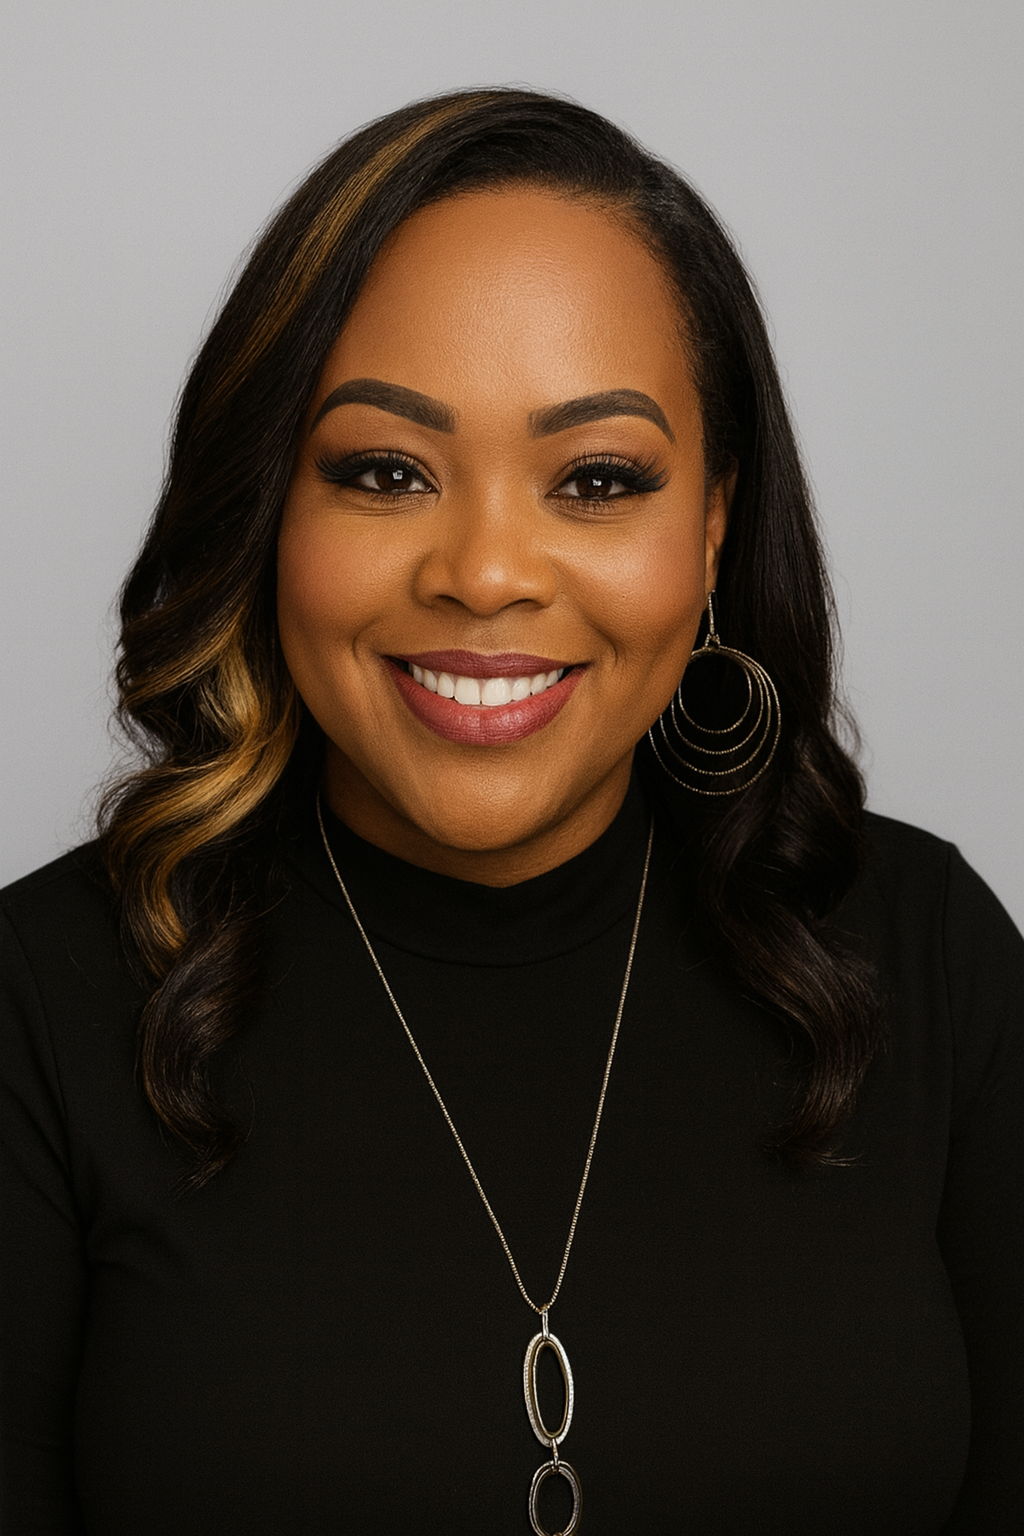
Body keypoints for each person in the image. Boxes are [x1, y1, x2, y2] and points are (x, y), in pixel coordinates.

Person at [1, 88, 1020, 1536]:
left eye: (595, 479)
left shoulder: (936, 961)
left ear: (713, 524)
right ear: (269, 510)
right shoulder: (39, 1002)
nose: (485, 574)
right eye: (385, 472)